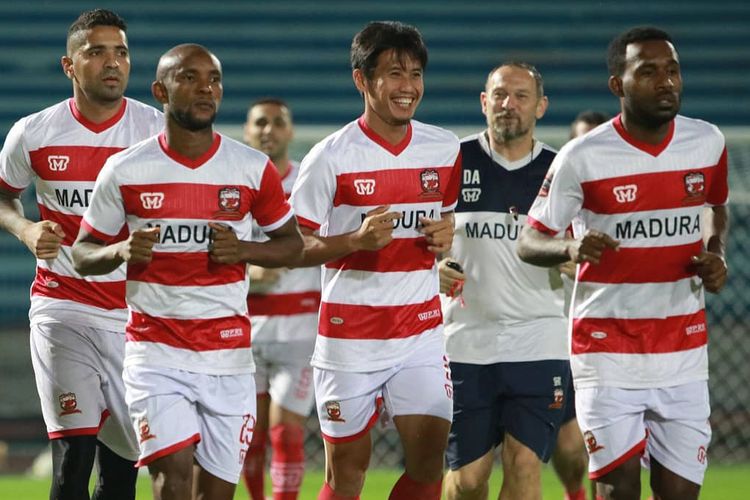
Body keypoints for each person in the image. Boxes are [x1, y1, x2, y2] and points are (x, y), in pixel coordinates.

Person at [71, 44, 304, 500]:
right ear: (160, 89)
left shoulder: (251, 168)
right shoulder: (125, 169)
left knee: (213, 494)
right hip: (155, 353)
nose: (206, 89)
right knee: (171, 481)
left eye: (213, 79)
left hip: (229, 357)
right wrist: (120, 250)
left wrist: (243, 249)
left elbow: (292, 246)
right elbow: (82, 254)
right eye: (190, 78)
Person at [517, 26, 729, 500]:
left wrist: (716, 255)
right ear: (618, 85)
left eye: (672, 70)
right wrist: (570, 249)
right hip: (607, 351)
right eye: (649, 71)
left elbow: (716, 208)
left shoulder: (707, 142)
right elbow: (529, 241)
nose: (666, 82)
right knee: (619, 492)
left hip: (683, 351)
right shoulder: (582, 157)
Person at [289, 21, 461, 500]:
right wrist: (354, 242)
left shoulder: (444, 148)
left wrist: (445, 239)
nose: (408, 87)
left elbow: (441, 230)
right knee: (346, 477)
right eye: (394, 73)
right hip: (349, 337)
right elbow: (293, 248)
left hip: (420, 331)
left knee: (429, 468)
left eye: (416, 74)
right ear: (362, 80)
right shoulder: (329, 157)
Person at [0, 9, 162, 500]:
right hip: (62, 305)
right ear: (69, 65)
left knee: (121, 473)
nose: (112, 62)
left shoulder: (155, 132)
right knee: (73, 457)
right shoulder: (34, 132)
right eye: (96, 52)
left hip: (136, 318)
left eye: (121, 52)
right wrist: (25, 228)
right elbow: (4, 197)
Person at [438, 62, 581, 500]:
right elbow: (423, 236)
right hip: (465, 340)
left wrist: (574, 261)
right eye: (499, 95)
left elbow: (583, 251)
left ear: (541, 106)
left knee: (523, 464)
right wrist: (434, 268)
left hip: (538, 339)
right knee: (467, 481)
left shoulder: (563, 172)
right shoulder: (452, 162)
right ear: (484, 102)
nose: (508, 105)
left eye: (521, 96)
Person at [241, 98, 319, 500]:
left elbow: (328, 243)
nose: (268, 130)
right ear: (247, 131)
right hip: (243, 328)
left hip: (300, 326)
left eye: (277, 123)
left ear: (290, 131)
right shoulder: (232, 183)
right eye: (260, 123)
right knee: (248, 435)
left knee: (285, 430)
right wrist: (248, 270)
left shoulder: (308, 182)